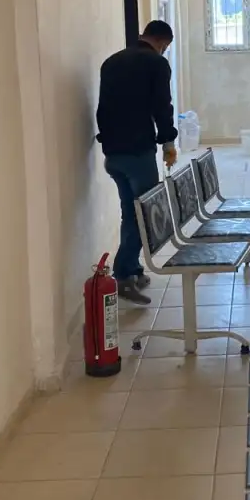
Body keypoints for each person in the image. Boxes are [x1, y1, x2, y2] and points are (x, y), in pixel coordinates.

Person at [96, 20, 178, 304]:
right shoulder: (156, 63)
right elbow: (162, 106)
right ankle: (123, 276)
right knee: (143, 214)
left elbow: (104, 106)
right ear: (163, 43)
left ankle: (131, 268)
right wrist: (168, 142)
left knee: (129, 213)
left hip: (113, 153)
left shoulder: (111, 62)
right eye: (165, 47)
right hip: (138, 154)